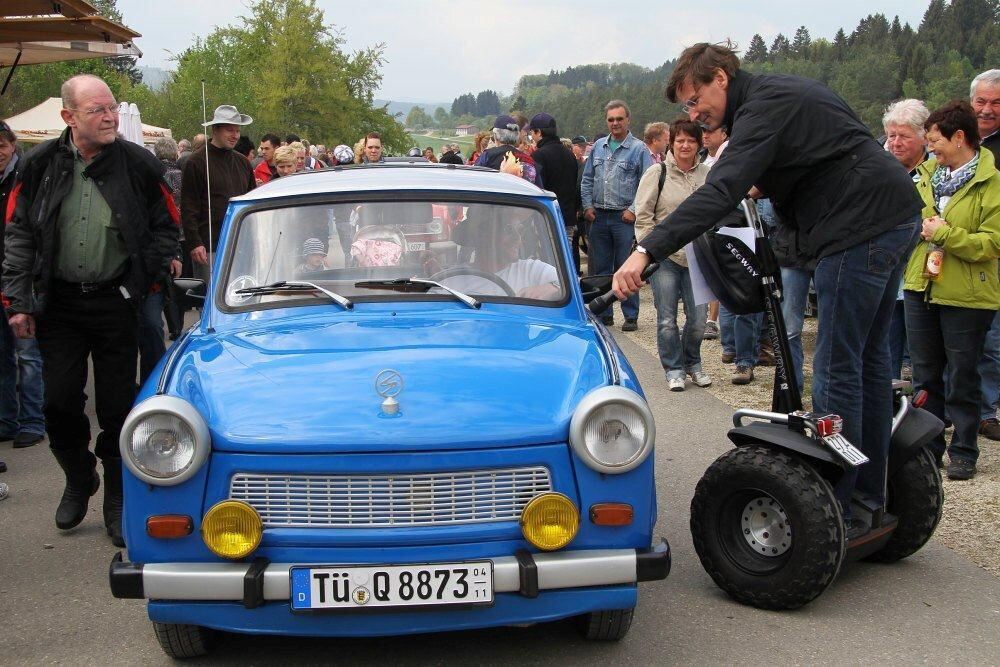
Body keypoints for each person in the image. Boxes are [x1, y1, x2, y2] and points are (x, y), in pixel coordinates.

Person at [612, 43, 924, 534]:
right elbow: (821, 155)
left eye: (695, 101)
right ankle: (870, 493)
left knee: (837, 367)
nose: (694, 114)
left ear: (720, 76)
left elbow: (719, 191)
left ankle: (838, 506)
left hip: (858, 227)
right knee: (868, 362)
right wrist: (769, 182)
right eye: (687, 108)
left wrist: (647, 249)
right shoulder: (779, 94)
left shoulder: (763, 107)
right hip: (893, 214)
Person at [2, 74, 180, 546]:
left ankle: (116, 494)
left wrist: (149, 275)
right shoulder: (39, 165)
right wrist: (19, 302)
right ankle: (79, 476)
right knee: (57, 401)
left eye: (112, 108)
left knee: (120, 405)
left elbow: (168, 225)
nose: (109, 117)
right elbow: (18, 234)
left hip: (116, 302)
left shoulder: (138, 164)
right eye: (97, 110)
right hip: (57, 304)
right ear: (69, 117)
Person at [902, 100, 1000, 481]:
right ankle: (928, 449)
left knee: (962, 374)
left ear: (960, 138)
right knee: (925, 374)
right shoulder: (925, 175)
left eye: (935, 141)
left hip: (968, 295)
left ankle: (964, 449)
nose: (930, 149)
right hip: (919, 285)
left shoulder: (991, 183)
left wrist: (943, 234)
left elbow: (991, 243)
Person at [634, 118, 711, 391]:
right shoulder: (657, 173)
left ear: (699, 144)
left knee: (699, 320)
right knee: (667, 318)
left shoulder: (708, 175)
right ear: (672, 143)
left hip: (699, 257)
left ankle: (694, 362)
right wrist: (649, 251)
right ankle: (674, 368)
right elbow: (643, 217)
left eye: (691, 140)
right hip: (665, 256)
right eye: (680, 140)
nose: (685, 145)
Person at [582, 100, 654, 331]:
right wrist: (587, 205)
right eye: (611, 119)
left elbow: (647, 183)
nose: (615, 123)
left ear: (628, 120)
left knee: (628, 268)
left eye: (619, 119)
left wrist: (633, 209)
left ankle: (630, 315)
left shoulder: (639, 149)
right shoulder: (598, 147)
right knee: (600, 269)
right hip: (600, 217)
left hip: (623, 218)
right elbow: (587, 180)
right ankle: (604, 313)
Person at [0, 121, 45, 452]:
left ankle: (32, 420)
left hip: (21, 275)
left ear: (13, 145)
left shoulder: (26, 176)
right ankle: (7, 419)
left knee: (27, 351)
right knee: (2, 354)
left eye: (2, 145)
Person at [882, 99, 931, 380]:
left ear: (923, 137)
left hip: (924, 269)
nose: (896, 143)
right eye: (891, 136)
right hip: (889, 265)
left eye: (904, 136)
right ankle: (887, 400)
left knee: (922, 346)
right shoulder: (881, 167)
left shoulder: (935, 171)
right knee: (887, 341)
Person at [181, 105, 255, 284]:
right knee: (210, 298)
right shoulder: (196, 162)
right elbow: (188, 205)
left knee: (242, 294)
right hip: (209, 245)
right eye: (230, 130)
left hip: (241, 242)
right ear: (215, 129)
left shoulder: (243, 162)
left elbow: (251, 201)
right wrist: (195, 242)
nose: (235, 135)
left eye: (237, 130)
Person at [138, 138, 184, 383]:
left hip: (153, 270)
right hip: (120, 276)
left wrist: (172, 254)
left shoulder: (158, 185)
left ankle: (155, 383)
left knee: (153, 327)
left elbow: (170, 221)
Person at [970, 70, 1000, 440]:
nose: (988, 109)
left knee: (991, 339)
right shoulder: (956, 140)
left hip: (993, 252)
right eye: (982, 101)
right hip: (952, 253)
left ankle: (986, 410)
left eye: (996, 103)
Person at [527, 113, 578, 246]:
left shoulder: (539, 155)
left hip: (548, 217)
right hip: (568, 216)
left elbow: (537, 188)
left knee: (552, 260)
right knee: (566, 257)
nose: (532, 136)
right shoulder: (569, 154)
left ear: (539, 132)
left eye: (532, 132)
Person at [474, 115, 541, 186]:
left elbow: (474, 179)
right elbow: (539, 189)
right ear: (517, 136)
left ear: (496, 136)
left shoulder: (487, 156)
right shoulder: (529, 160)